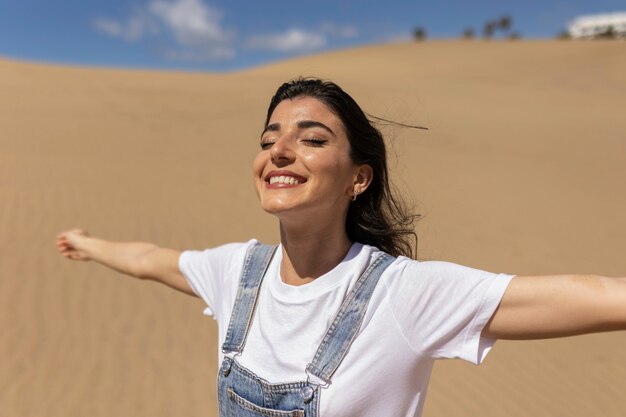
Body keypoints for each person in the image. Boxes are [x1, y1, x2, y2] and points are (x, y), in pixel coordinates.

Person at [56, 78, 626, 417]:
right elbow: (150, 260)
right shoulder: (238, 272)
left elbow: (598, 297)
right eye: (268, 138)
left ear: (359, 178)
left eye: (312, 139)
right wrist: (88, 244)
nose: (279, 151)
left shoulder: (405, 294)